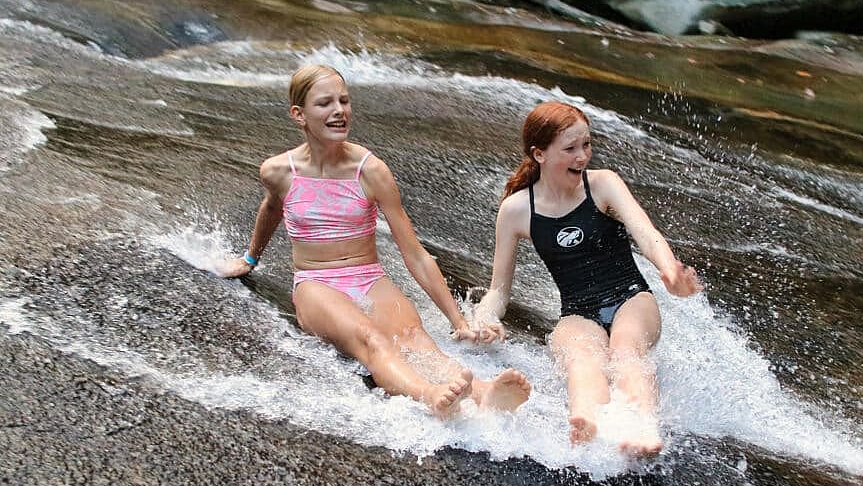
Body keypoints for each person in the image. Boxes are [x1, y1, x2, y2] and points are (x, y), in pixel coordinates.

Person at [221, 64, 530, 418]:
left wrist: (458, 321)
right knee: (372, 338)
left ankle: (484, 391)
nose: (338, 110)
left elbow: (414, 255)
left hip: (368, 276)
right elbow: (272, 208)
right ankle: (428, 394)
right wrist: (250, 258)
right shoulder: (278, 171)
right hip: (316, 283)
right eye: (324, 104)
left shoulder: (371, 171)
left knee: (415, 337)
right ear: (299, 115)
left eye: (344, 101)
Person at [471, 101, 702, 455]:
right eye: (570, 149)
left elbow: (647, 233)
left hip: (631, 298)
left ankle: (642, 425)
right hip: (578, 311)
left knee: (624, 346)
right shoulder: (517, 210)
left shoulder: (604, 185)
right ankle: (587, 423)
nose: (583, 157)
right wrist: (484, 317)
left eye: (587, 145)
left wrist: (670, 271)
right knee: (581, 356)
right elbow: (499, 291)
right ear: (540, 154)